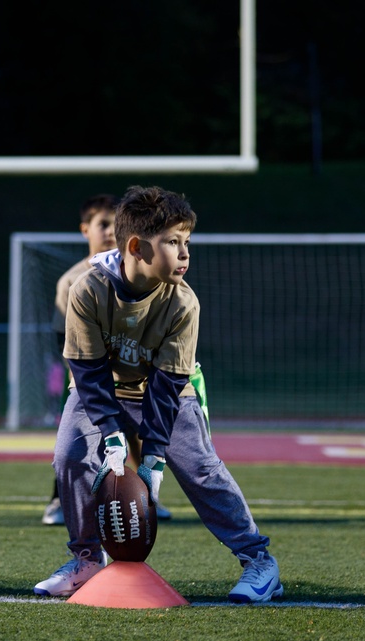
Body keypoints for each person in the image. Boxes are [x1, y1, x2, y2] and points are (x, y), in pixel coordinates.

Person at [34, 185, 281, 603]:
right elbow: (88, 371)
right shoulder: (86, 289)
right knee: (70, 456)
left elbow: (168, 385)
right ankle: (87, 557)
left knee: (201, 470)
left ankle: (259, 560)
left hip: (164, 391)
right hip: (102, 388)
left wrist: (152, 456)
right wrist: (112, 435)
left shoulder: (183, 302)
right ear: (136, 247)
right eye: (172, 242)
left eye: (187, 242)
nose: (185, 253)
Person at [41, 193, 173, 525]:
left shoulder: (140, 273)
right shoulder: (72, 281)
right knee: (76, 444)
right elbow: (67, 340)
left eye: (114, 224)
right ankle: (59, 501)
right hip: (91, 378)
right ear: (85, 229)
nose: (110, 231)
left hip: (132, 374)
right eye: (102, 224)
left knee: (139, 435)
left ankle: (144, 498)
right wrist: (81, 377)